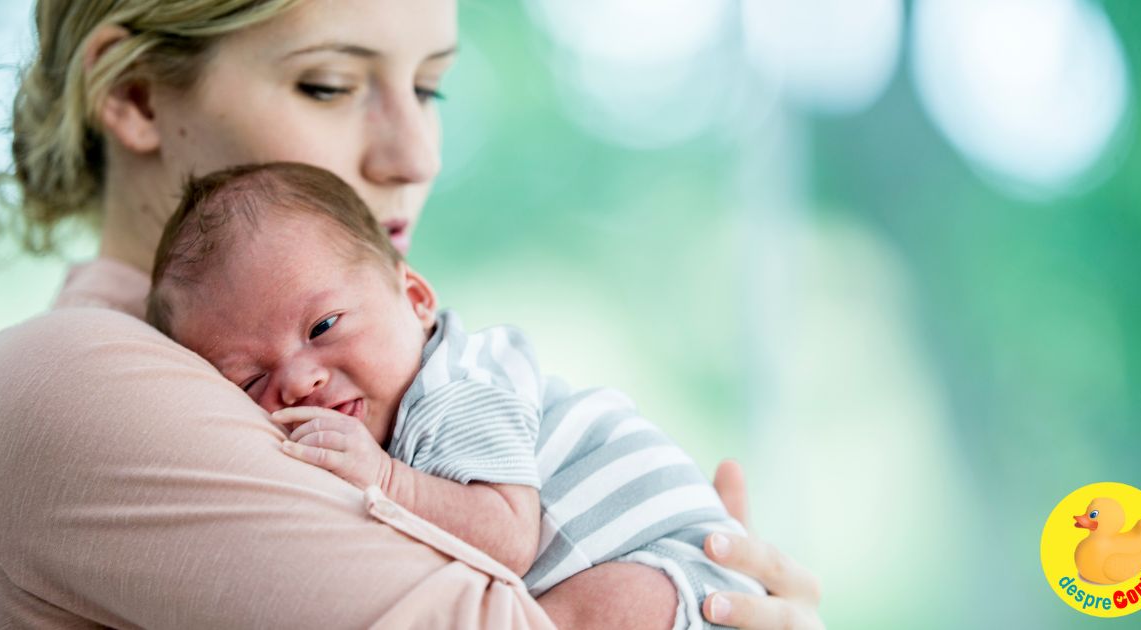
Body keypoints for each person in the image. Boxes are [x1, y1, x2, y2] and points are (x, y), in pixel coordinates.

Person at [0, 0, 823, 628]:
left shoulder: (404, 380)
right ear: (136, 95)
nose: (418, 153)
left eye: (430, 86)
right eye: (330, 85)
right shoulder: (70, 382)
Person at [146, 161, 768, 629]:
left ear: (416, 300)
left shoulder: (453, 388)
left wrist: (386, 480)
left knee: (593, 613)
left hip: (676, 571)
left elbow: (508, 534)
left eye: (324, 327)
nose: (298, 380)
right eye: (251, 380)